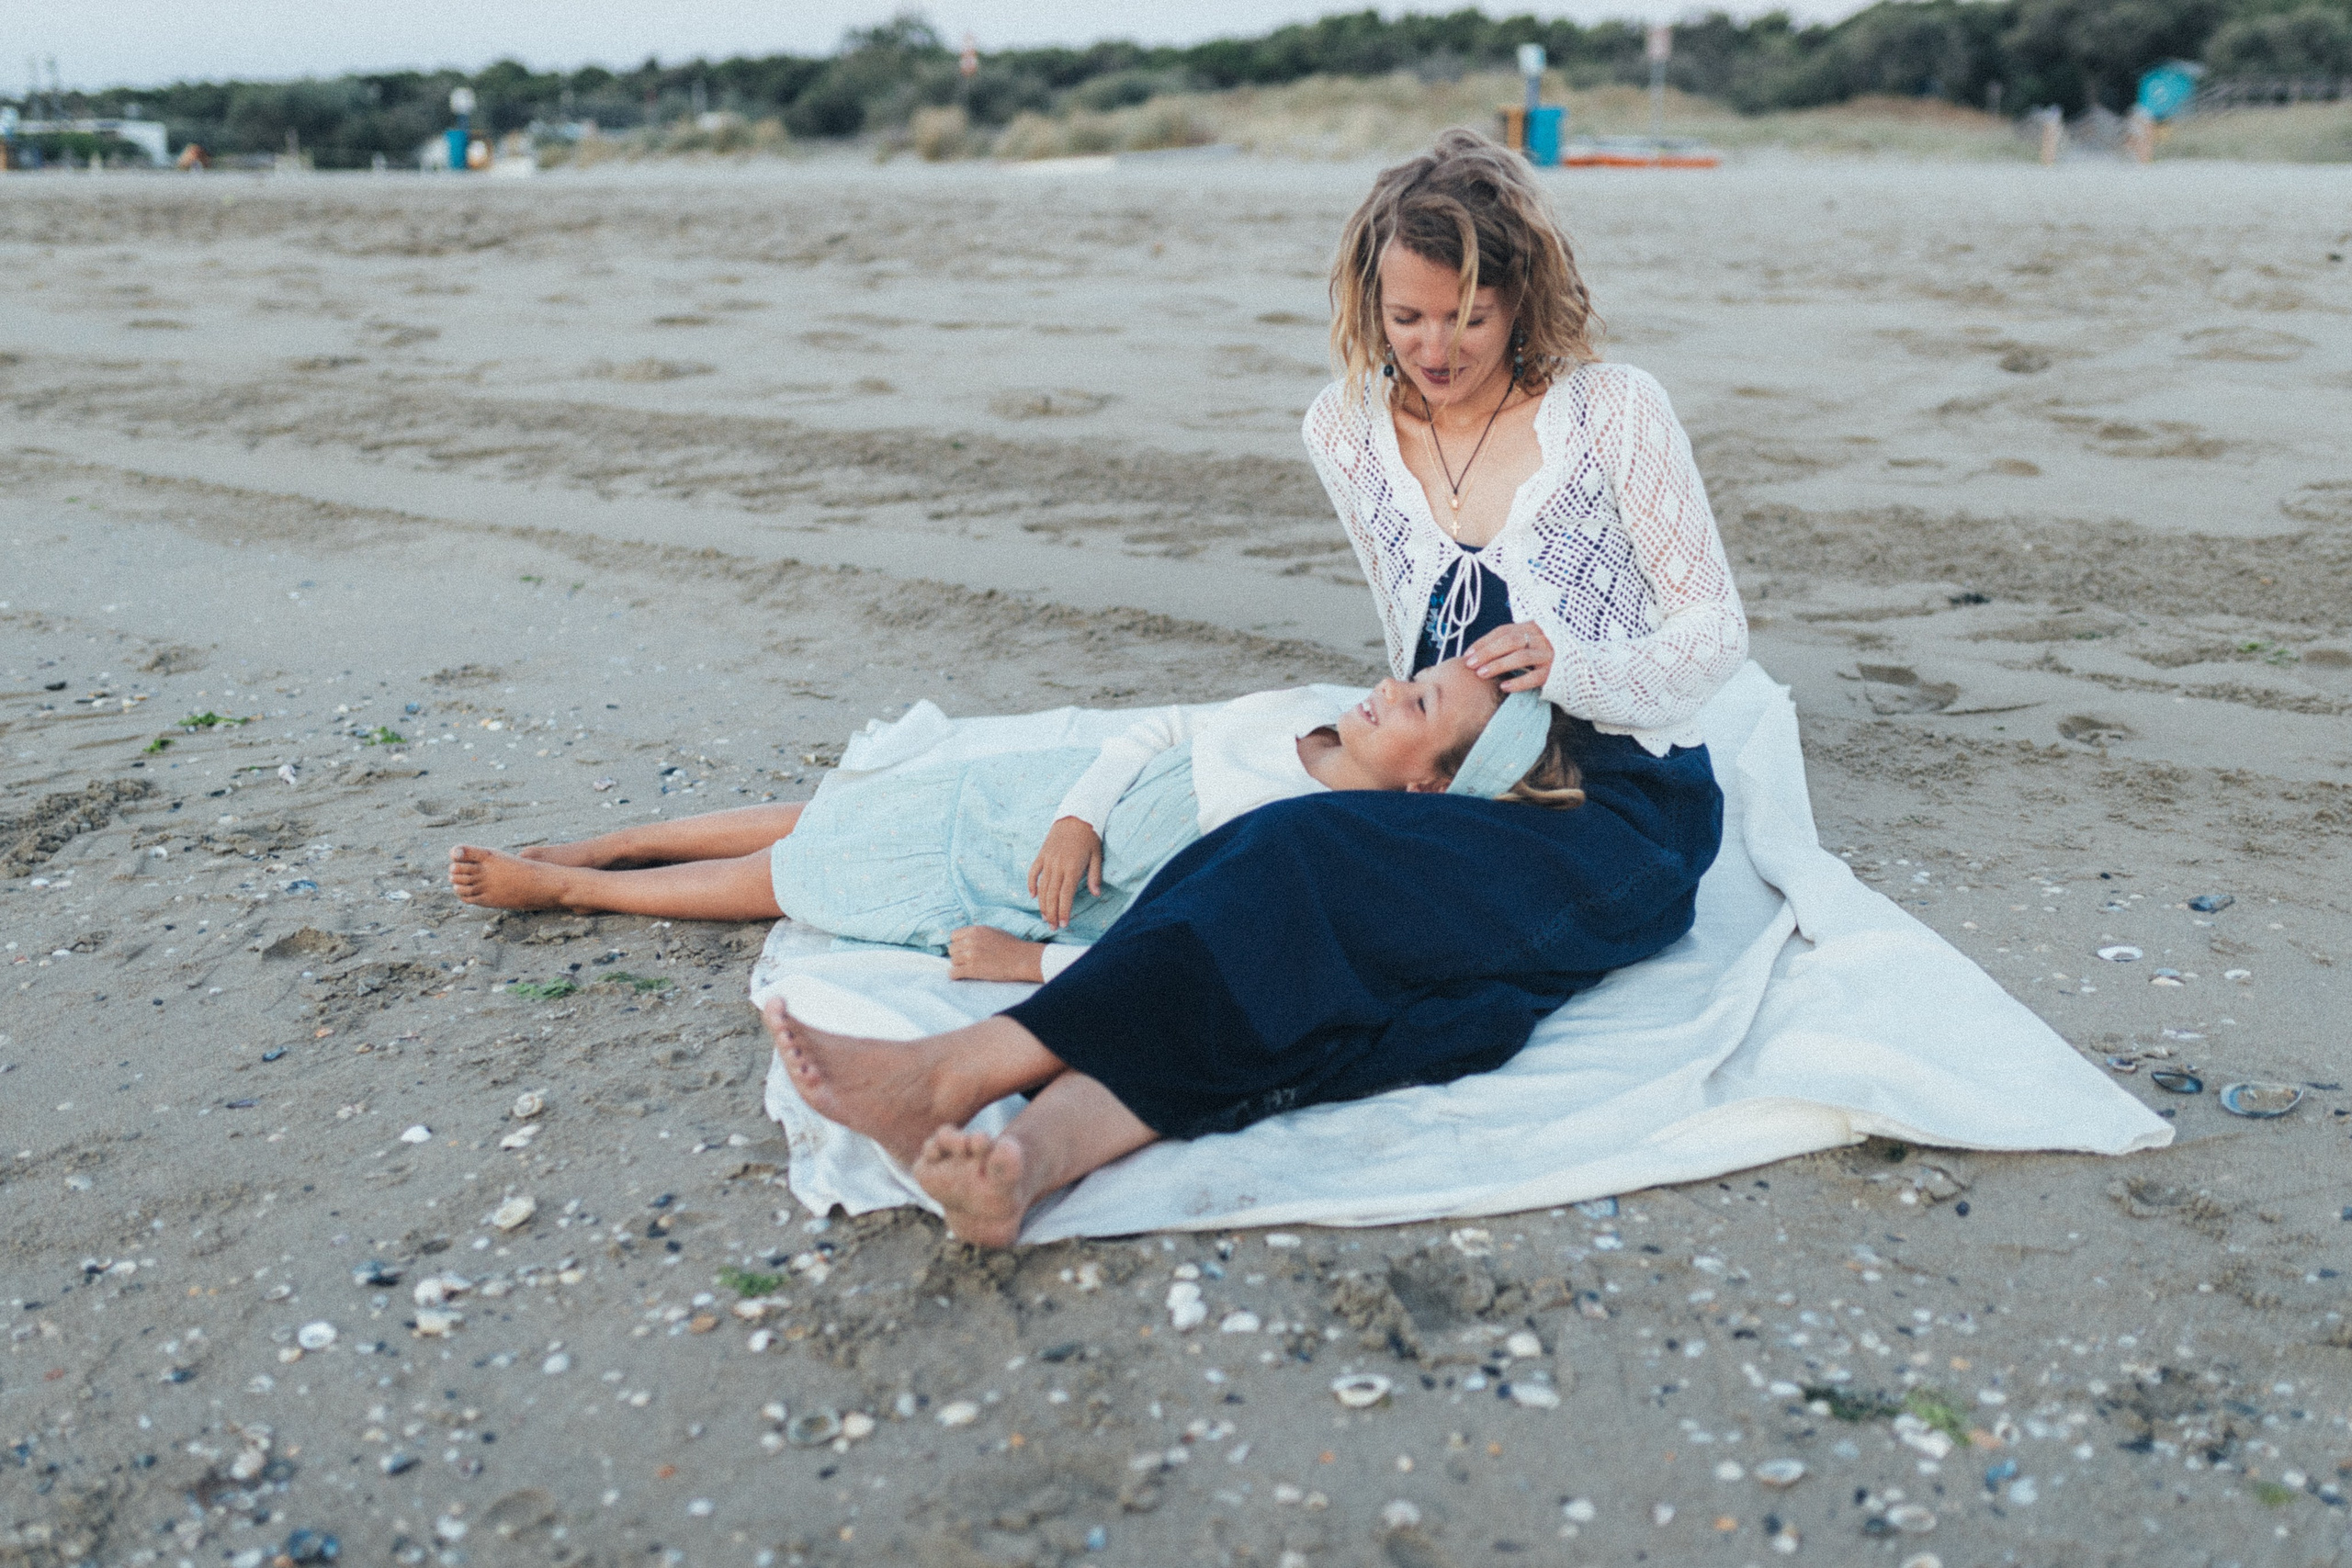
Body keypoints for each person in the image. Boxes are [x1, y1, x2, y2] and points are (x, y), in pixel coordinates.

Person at [772, 127, 1748, 1246]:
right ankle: (1017, 1165)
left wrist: (1579, 667)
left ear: (1521, 298)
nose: (1436, 348)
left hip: (1611, 806)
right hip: (1452, 775)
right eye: (1408, 316)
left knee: (1300, 876)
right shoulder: (1344, 430)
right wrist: (1377, 758)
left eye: (1470, 317)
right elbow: (1404, 631)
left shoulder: (1613, 410)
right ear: (1369, 300)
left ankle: (952, 1072)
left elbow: (1715, 630)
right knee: (1273, 888)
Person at [447, 659, 1533, 968]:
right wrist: (1076, 813)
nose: (1395, 686)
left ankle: (568, 886)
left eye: (1421, 703)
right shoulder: (1306, 714)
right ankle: (613, 840)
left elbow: (1197, 947)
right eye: (1417, 674)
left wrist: (1029, 970)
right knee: (845, 808)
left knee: (811, 876)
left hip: (1025, 887)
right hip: (1045, 805)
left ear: (1424, 787)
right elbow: (1157, 732)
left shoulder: (1314, 839)